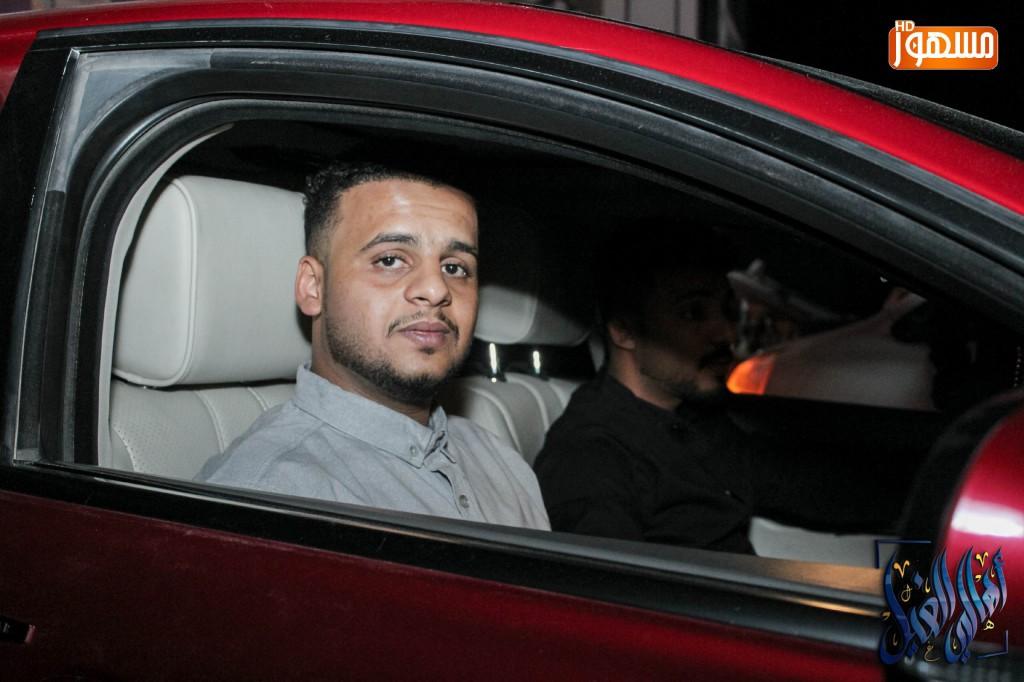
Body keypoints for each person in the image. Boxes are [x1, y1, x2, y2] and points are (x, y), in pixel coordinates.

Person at [199, 161, 549, 530]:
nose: (436, 289)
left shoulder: (500, 460)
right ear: (313, 287)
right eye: (390, 260)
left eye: (455, 268)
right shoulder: (269, 502)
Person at [533, 224, 885, 552]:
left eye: (727, 311)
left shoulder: (692, 414)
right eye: (692, 313)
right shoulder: (590, 458)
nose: (727, 334)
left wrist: (914, 492)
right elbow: (611, 593)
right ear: (624, 330)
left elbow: (799, 483)